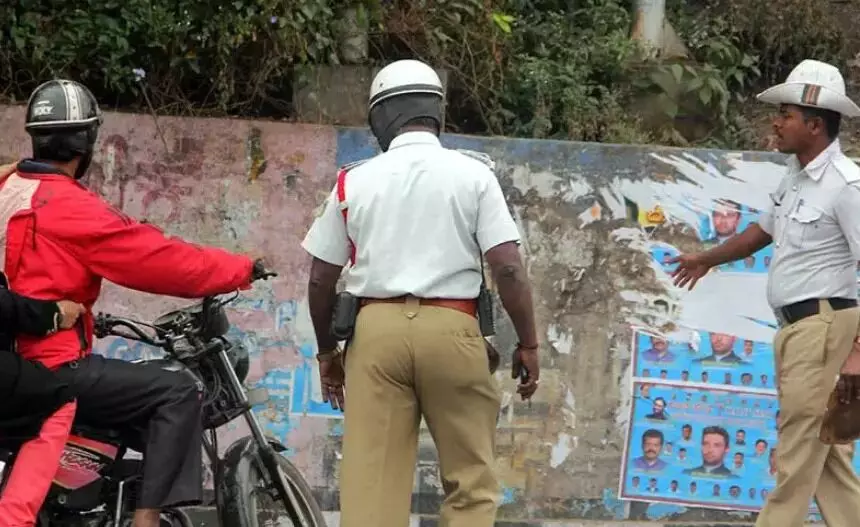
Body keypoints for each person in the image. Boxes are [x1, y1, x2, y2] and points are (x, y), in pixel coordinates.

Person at [0, 79, 264, 527]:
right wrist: (241, 268)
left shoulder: (8, 188)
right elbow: (158, 260)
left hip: (12, 362)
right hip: (53, 366)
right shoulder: (70, 207)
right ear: (87, 140)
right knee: (178, 388)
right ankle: (147, 518)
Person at [300, 59, 539, 527]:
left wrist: (328, 352)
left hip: (375, 335)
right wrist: (528, 342)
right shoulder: (475, 175)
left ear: (380, 115)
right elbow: (508, 267)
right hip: (454, 328)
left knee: (372, 487)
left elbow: (319, 279)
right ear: (435, 112)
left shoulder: (354, 180)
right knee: (470, 480)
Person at [670, 59, 860, 527]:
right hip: (797, 330)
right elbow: (761, 231)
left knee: (797, 447)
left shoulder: (847, 186)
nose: (776, 122)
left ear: (815, 125)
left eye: (786, 115)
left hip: (825, 326)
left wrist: (857, 353)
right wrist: (706, 259)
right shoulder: (795, 178)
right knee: (825, 450)